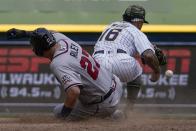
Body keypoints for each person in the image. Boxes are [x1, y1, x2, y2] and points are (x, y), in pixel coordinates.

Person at [7, 28, 123, 121]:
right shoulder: (62, 40)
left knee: (58, 112)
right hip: (116, 84)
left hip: (103, 103)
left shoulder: (58, 63)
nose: (32, 48)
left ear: (39, 49)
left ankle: (110, 115)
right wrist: (24, 33)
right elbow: (50, 33)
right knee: (81, 99)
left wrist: (63, 117)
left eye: (33, 46)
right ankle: (113, 111)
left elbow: (74, 92)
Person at [93, 5, 166, 111]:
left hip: (97, 62)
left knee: (99, 91)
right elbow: (149, 55)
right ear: (139, 21)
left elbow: (117, 44)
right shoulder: (136, 31)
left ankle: (93, 109)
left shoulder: (110, 26)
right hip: (121, 63)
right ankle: (128, 110)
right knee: (136, 70)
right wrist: (157, 71)